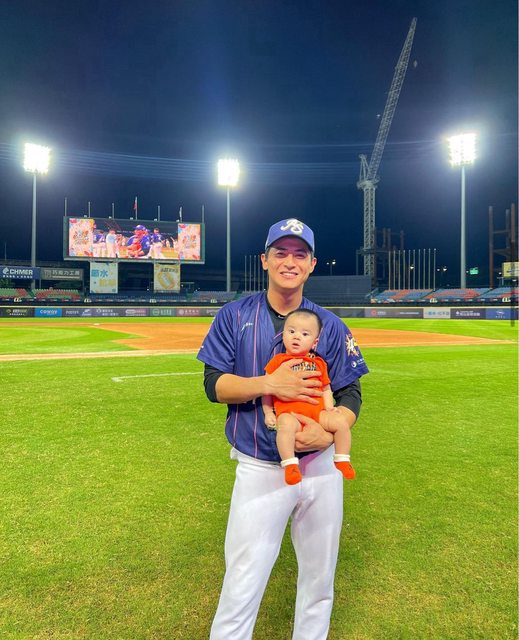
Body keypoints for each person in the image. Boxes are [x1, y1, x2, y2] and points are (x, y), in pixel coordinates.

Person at [197, 217, 368, 640]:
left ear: (311, 264)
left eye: (299, 254)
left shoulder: (330, 325)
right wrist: (269, 384)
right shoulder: (235, 315)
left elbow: (350, 392)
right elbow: (213, 385)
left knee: (319, 581)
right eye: (281, 253)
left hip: (322, 468)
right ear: (265, 260)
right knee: (243, 580)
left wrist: (332, 431)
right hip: (259, 466)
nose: (290, 262)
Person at [262, 308, 355, 485]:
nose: (296, 337)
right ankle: (290, 465)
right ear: (283, 335)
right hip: (291, 414)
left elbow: (326, 388)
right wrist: (268, 413)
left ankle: (342, 458)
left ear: (315, 342)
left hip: (318, 414)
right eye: (291, 331)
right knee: (285, 427)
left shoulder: (319, 363)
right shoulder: (277, 361)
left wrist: (330, 408)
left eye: (305, 334)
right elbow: (266, 390)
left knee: (341, 423)